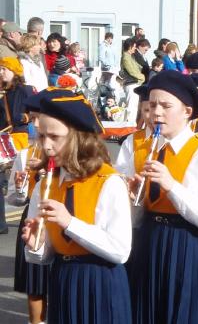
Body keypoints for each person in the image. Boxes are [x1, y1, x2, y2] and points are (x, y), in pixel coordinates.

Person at [22, 93, 132, 324]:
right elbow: (45, 256)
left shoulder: (108, 181)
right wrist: (36, 246)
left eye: (55, 137)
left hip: (101, 280)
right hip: (63, 277)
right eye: (42, 136)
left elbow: (120, 250)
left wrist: (70, 223)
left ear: (79, 138)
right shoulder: (44, 184)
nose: (46, 145)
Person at [128, 71, 198, 324]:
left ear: (187, 111)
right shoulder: (143, 147)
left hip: (189, 244)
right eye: (152, 106)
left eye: (166, 106)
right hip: (150, 240)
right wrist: (132, 198)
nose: (156, 113)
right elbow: (134, 218)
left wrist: (172, 186)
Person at [9, 88, 74, 324]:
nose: (37, 125)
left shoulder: (74, 156)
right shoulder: (25, 155)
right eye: (34, 119)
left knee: (61, 284)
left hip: (65, 219)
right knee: (35, 284)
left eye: (40, 118)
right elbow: (15, 201)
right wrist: (19, 188)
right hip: (36, 219)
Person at [120, 38, 145, 125]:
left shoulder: (130, 56)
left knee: (134, 106)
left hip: (134, 83)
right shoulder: (126, 57)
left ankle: (132, 124)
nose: (135, 48)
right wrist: (142, 77)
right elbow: (132, 71)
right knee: (131, 106)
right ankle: (129, 125)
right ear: (130, 47)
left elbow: (139, 67)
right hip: (131, 84)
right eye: (134, 46)